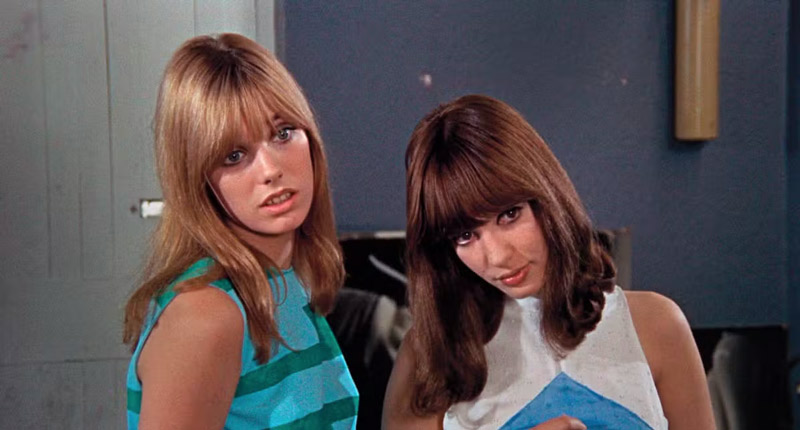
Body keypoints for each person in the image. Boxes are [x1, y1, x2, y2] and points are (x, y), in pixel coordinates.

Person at [383, 95, 715, 430]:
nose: (498, 257)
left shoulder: (657, 325)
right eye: (465, 235)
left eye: (509, 215)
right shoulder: (428, 356)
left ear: (547, 195)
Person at [122, 33, 358, 429]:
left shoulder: (284, 283)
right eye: (234, 155)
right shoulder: (207, 314)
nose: (270, 170)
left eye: (283, 133)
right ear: (198, 179)